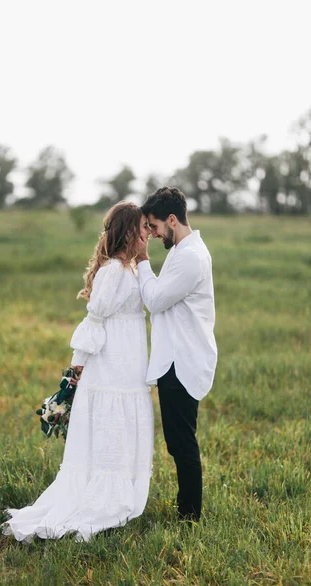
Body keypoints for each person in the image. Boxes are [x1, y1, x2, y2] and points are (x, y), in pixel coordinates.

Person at [1, 202, 154, 543]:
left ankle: (120, 491)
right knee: (110, 427)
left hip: (130, 364)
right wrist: (76, 370)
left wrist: (143, 261)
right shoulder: (113, 270)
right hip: (110, 364)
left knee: (125, 425)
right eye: (143, 227)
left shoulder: (130, 269)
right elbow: (94, 319)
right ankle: (100, 496)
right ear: (129, 231)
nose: (148, 233)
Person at [136, 186, 217, 523]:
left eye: (154, 227)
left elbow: (154, 300)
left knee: (182, 441)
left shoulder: (191, 257)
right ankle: (187, 511)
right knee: (178, 441)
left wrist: (142, 261)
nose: (152, 235)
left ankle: (190, 517)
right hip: (175, 358)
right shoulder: (182, 250)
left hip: (183, 361)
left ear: (172, 220)